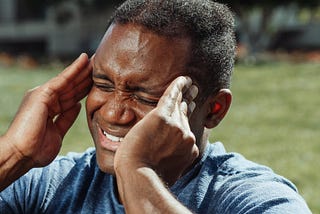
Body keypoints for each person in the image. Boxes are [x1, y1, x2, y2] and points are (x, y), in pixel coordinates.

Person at [0, 0, 311, 213]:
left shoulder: (255, 198)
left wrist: (139, 173)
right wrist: (14, 153)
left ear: (214, 109)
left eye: (146, 96)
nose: (112, 112)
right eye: (103, 84)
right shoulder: (48, 185)